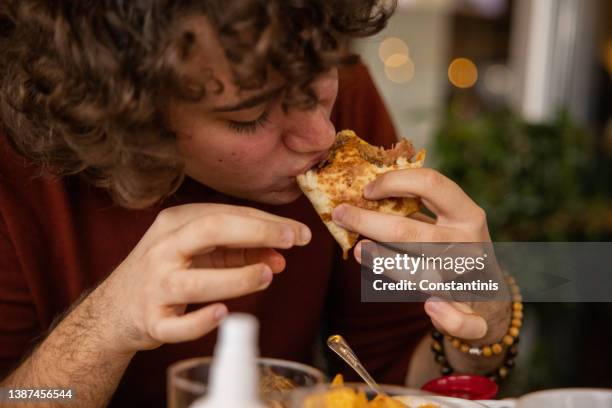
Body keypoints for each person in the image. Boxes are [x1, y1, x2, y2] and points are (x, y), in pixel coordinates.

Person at [0, 1, 511, 407]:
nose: (320, 135)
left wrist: (480, 320)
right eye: (249, 115)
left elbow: (391, 379)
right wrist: (106, 326)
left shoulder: (345, 115)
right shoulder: (17, 172)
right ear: (131, 118)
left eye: (319, 80)